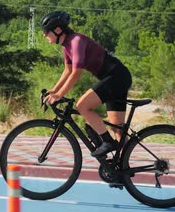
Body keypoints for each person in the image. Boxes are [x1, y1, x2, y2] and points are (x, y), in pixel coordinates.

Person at [41, 11, 132, 158]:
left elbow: (76, 74)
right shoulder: (66, 46)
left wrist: (59, 95)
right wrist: (54, 90)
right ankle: (122, 170)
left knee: (82, 105)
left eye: (46, 32)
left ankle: (107, 142)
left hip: (115, 76)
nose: (44, 35)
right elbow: (67, 71)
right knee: (119, 130)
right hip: (115, 77)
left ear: (57, 30)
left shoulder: (76, 41)